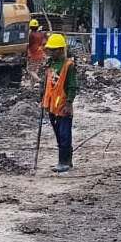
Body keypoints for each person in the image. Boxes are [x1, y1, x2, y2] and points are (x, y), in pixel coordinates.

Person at [41, 33, 78, 173]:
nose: (51, 52)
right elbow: (48, 84)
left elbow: (72, 86)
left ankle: (64, 162)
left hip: (63, 106)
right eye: (50, 49)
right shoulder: (51, 64)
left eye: (53, 50)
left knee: (64, 134)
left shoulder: (69, 66)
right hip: (52, 106)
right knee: (58, 133)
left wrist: (69, 104)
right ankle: (66, 159)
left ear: (61, 50)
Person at [26, 19, 47, 85]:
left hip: (33, 54)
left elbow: (28, 44)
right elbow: (44, 42)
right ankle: (31, 86)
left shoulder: (31, 35)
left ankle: (39, 80)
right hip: (40, 53)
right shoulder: (41, 34)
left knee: (30, 70)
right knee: (35, 70)